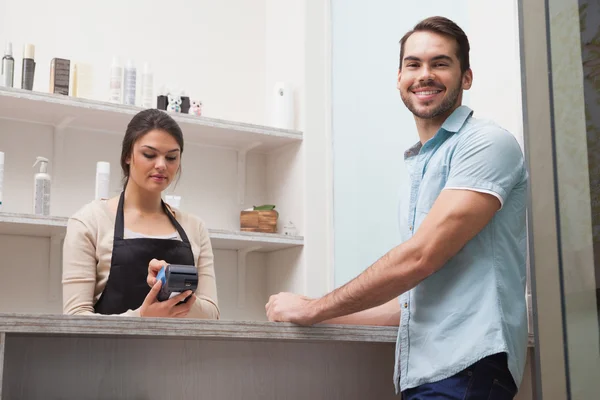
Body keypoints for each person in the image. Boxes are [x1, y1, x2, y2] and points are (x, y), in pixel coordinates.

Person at [266, 16, 528, 400]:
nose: (425, 74)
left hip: (467, 371)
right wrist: (316, 309)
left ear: (466, 78)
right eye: (413, 64)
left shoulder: (486, 143)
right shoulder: (420, 164)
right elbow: (411, 304)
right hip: (427, 377)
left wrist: (314, 309)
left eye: (440, 63)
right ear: (399, 79)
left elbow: (419, 257)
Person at [62, 109, 220, 319]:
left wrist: (177, 289)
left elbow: (212, 316)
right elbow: (75, 318)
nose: (161, 165)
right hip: (108, 352)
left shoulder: (195, 227)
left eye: (171, 157)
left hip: (179, 352)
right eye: (149, 155)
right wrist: (141, 318)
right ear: (128, 155)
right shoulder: (89, 222)